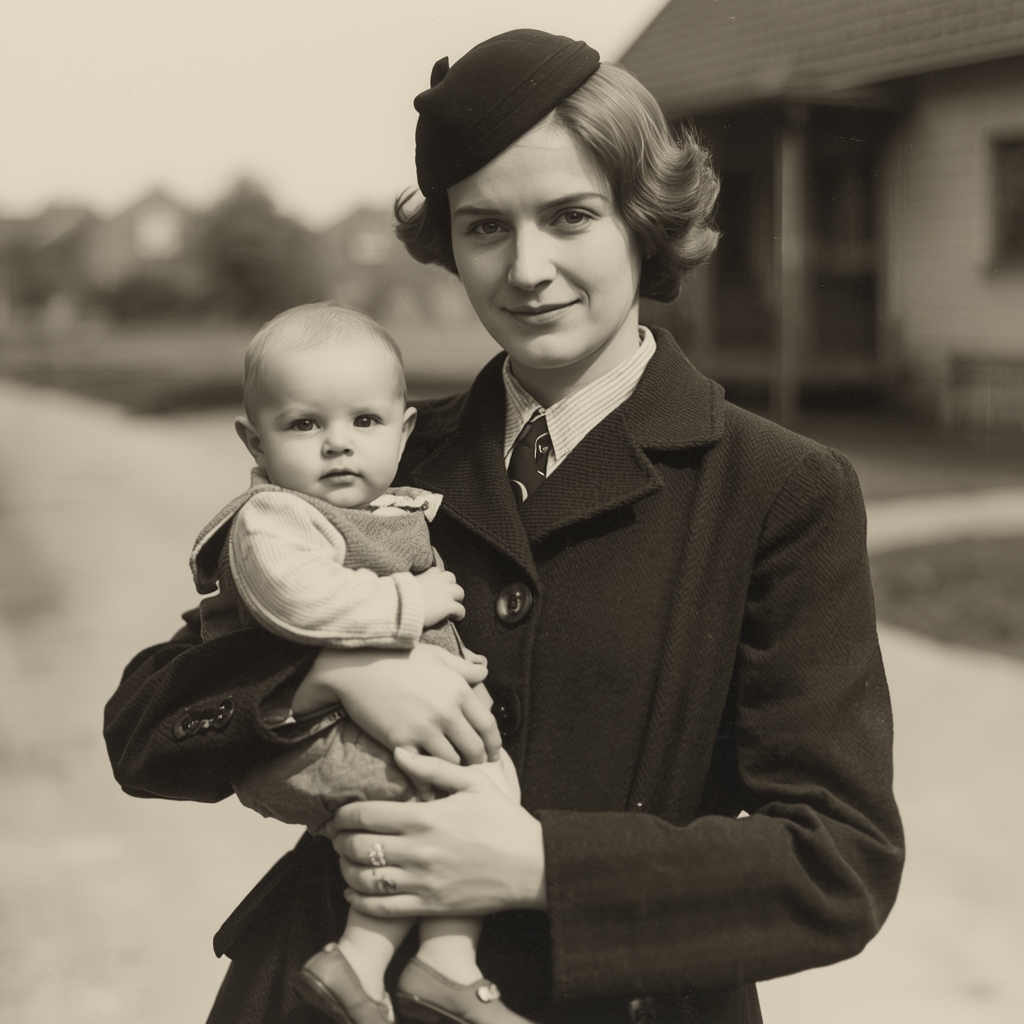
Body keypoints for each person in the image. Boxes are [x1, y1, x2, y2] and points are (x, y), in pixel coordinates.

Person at [105, 28, 904, 1024]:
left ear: (641, 222)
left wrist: (535, 862)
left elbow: (838, 862)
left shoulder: (780, 490)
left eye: (571, 215)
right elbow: (143, 732)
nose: (527, 268)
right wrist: (327, 674)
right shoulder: (381, 458)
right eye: (485, 227)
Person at [189, 301, 526, 1024]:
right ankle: (379, 960)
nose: (338, 445)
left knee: (490, 791)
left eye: (364, 423)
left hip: (368, 734)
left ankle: (430, 960)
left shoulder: (391, 507)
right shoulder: (275, 519)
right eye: (305, 424)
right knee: (427, 814)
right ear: (256, 441)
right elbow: (299, 601)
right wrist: (407, 604)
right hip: (308, 738)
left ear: (404, 430)